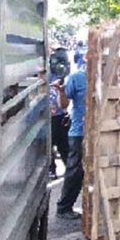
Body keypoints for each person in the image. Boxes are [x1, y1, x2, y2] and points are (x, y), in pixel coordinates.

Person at [53, 53, 88, 220]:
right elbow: (64, 104)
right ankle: (64, 207)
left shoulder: (109, 78)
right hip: (79, 131)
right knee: (75, 170)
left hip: (101, 131)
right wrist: (61, 92)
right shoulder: (77, 77)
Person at [48, 49, 71, 179]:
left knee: (64, 144)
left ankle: (69, 168)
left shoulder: (64, 76)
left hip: (61, 114)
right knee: (50, 145)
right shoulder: (46, 74)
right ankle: (52, 169)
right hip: (49, 116)